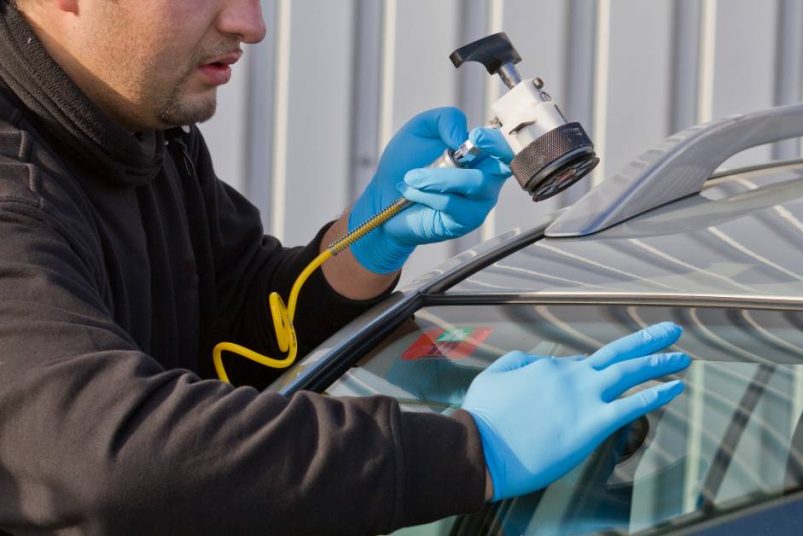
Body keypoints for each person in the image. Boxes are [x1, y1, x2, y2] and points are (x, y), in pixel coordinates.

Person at [0, 1, 691, 534]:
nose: (251, 22)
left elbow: (239, 332)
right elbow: (105, 455)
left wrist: (368, 241)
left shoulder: (140, 134)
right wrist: (473, 451)